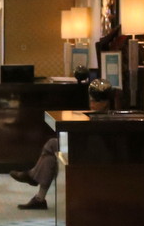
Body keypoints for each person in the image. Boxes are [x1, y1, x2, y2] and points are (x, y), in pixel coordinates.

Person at [12, 79, 114, 210]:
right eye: (91, 100)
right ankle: (39, 198)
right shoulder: (95, 114)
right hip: (86, 149)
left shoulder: (108, 117)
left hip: (95, 156)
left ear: (106, 102)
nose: (92, 104)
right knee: (51, 156)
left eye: (96, 101)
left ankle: (33, 178)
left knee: (52, 145)